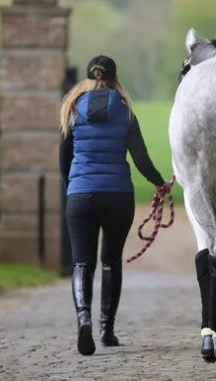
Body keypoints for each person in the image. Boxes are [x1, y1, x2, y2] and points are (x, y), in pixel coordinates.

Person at [59, 55, 166, 356]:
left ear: (89, 78)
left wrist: (76, 188)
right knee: (110, 261)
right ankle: (107, 330)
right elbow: (140, 158)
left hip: (81, 196)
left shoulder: (72, 109)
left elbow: (63, 160)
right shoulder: (124, 111)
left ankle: (84, 319)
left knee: (82, 262)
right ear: (115, 79)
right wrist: (159, 183)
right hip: (118, 195)